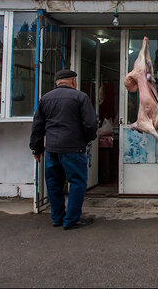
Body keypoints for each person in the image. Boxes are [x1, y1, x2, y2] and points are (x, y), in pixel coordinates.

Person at [30, 69, 99, 230]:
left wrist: (37, 149)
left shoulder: (45, 99)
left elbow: (37, 126)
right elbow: (90, 124)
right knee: (76, 183)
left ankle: (57, 218)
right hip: (74, 149)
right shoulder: (80, 97)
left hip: (52, 149)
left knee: (54, 184)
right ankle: (72, 220)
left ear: (57, 82)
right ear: (73, 81)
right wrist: (87, 139)